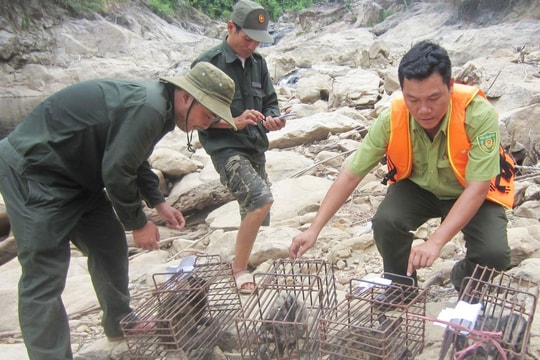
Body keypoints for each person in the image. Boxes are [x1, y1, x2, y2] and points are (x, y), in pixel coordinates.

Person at [0, 62, 236, 360]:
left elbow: (135, 160)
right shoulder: (150, 107)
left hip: (77, 174)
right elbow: (116, 171)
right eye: (208, 113)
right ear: (188, 96)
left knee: (110, 244)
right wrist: (137, 223)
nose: (208, 122)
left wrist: (158, 202)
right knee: (44, 273)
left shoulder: (162, 109)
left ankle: (120, 323)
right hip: (35, 172)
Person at [289, 40, 514, 295]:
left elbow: (477, 188)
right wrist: (314, 227)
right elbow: (352, 174)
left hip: (469, 190)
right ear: (403, 92)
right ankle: (400, 287)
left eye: (434, 98)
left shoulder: (479, 114)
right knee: (386, 222)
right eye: (413, 100)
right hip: (419, 188)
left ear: (450, 87)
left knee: (494, 254)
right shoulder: (392, 118)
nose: (424, 109)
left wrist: (435, 242)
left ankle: (462, 276)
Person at [191, 0, 286, 293]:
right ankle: (239, 269)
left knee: (258, 213)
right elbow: (194, 118)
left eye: (258, 41)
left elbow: (270, 101)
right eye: (247, 38)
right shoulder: (208, 64)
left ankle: (256, 259)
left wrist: (273, 118)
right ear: (230, 27)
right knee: (259, 199)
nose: (252, 46)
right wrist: (234, 121)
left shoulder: (258, 64)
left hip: (255, 144)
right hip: (226, 148)